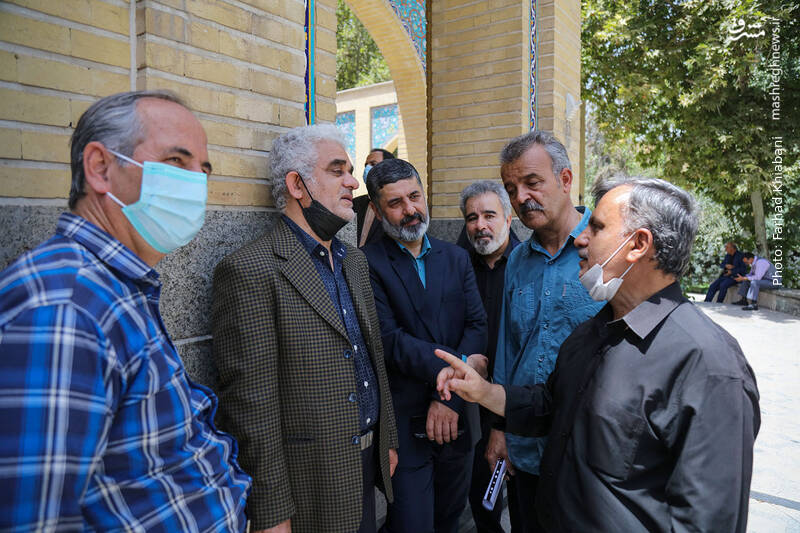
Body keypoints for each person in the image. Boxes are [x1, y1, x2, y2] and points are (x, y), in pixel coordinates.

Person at [435, 176, 761, 533]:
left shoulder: (708, 366)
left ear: (638, 245)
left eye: (597, 227)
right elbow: (548, 406)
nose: (580, 238)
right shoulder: (590, 334)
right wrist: (483, 391)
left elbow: (707, 520)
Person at [0, 90, 251, 531]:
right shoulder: (66, 306)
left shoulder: (116, 286)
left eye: (203, 170)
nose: (196, 185)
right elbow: (34, 518)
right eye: (176, 161)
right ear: (100, 167)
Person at [211, 125, 398, 533]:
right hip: (308, 483)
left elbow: (372, 358)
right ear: (297, 185)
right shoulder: (250, 270)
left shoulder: (354, 261)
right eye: (337, 170)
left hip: (367, 464)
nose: (353, 182)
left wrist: (387, 439)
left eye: (351, 171)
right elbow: (250, 407)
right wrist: (271, 510)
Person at [361, 159, 488, 533]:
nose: (410, 209)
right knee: (411, 524)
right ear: (376, 210)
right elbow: (388, 339)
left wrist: (448, 397)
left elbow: (476, 325)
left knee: (450, 519)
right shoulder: (365, 263)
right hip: (404, 424)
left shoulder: (457, 257)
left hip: (458, 415)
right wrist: (450, 373)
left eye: (414, 196)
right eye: (395, 202)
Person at [490, 131, 604, 532]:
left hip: (587, 449)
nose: (521, 197)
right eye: (511, 189)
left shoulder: (604, 248)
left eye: (532, 182)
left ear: (565, 179)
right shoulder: (517, 260)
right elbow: (507, 349)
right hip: (525, 445)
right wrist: (500, 429)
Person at [458, 180, 521, 533]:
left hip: (518, 401)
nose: (480, 225)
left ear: (508, 219)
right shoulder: (457, 264)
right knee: (481, 495)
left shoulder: (528, 265)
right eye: (472, 217)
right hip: (468, 403)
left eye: (489, 215)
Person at [355, 148, 395, 246]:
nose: (367, 169)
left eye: (373, 164)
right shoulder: (354, 204)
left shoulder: (397, 205)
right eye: (366, 165)